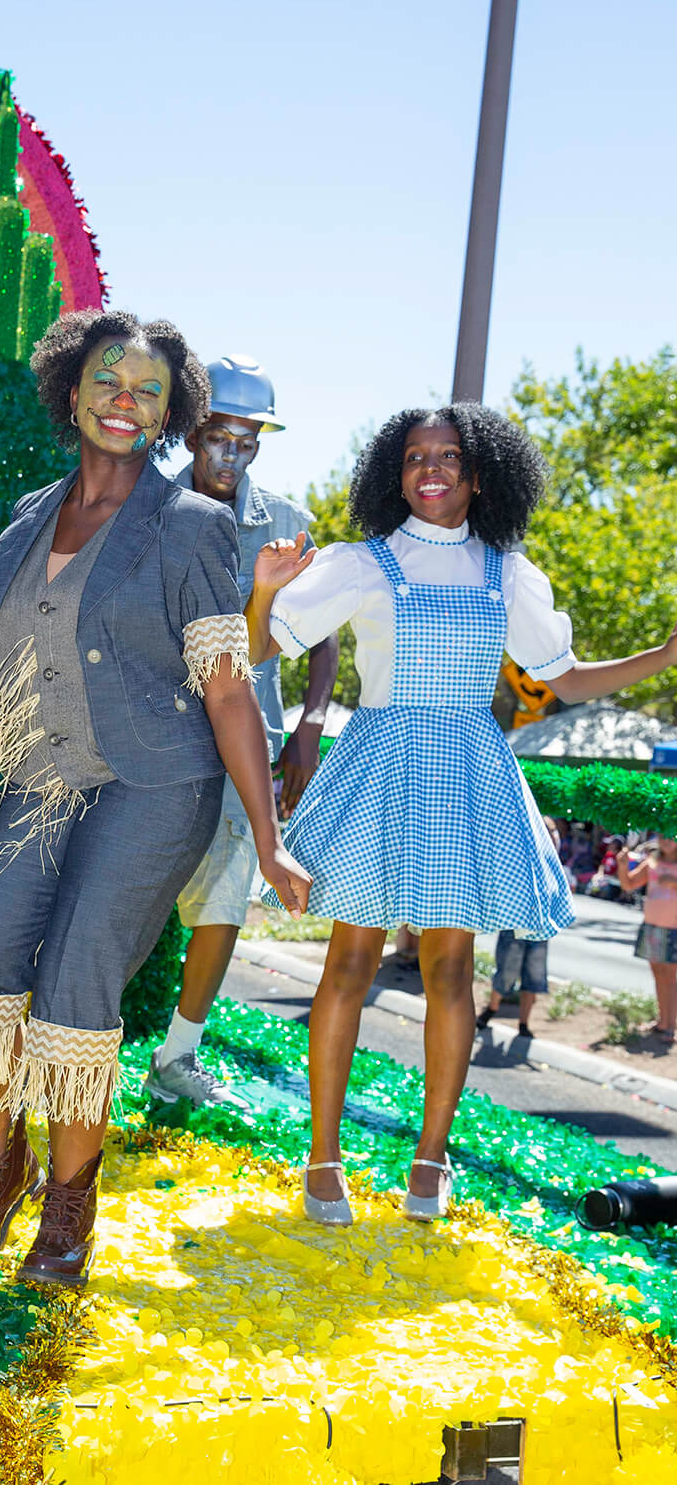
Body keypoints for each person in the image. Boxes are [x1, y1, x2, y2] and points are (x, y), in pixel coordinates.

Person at [0, 309, 311, 1286]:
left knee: (74, 988)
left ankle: (66, 1214)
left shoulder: (193, 528)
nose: (122, 403)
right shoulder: (19, 526)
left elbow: (224, 687)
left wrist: (267, 839)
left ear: (169, 410)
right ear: (71, 387)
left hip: (154, 790)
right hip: (39, 782)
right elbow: (6, 680)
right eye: (107, 381)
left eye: (146, 391)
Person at [246, 403, 677, 1224]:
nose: (431, 469)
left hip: (468, 771)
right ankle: (323, 1159)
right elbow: (261, 650)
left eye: (449, 456)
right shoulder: (359, 563)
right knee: (348, 964)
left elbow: (564, 677)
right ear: (393, 471)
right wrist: (263, 594)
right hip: (380, 762)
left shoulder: (508, 570)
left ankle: (430, 1162)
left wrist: (663, 656)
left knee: (451, 972)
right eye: (415, 456)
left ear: (481, 476)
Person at [145, 355, 337, 1110]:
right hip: (154, 730)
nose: (232, 454)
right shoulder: (147, 509)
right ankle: (69, 1035)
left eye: (248, 441)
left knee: (227, 891)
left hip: (248, 737)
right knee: (122, 883)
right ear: (192, 433)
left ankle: (176, 1056)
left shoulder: (288, 524)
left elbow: (320, 635)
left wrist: (313, 720)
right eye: (220, 437)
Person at [618, 836, 677, 1047]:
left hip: (674, 929)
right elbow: (629, 884)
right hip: (652, 926)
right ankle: (662, 1021)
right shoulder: (652, 861)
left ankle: (671, 1026)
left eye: (672, 836)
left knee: (670, 977)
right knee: (658, 974)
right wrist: (622, 865)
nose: (667, 841)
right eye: (663, 836)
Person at [475, 929, 547, 1038]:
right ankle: (491, 1010)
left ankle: (524, 1024)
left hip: (540, 930)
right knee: (506, 975)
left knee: (533, 978)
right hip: (514, 929)